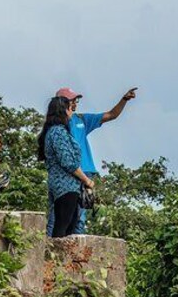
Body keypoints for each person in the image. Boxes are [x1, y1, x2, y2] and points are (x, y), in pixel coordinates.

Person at [46, 86, 137, 235]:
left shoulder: (81, 120)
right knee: (59, 217)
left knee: (79, 218)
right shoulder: (57, 126)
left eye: (76, 100)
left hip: (85, 172)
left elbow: (111, 115)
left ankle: (76, 253)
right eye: (72, 100)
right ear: (62, 103)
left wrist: (124, 100)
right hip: (68, 174)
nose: (75, 103)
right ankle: (51, 251)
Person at [38, 96, 95, 237]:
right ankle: (55, 257)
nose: (72, 111)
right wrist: (86, 180)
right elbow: (68, 162)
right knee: (62, 225)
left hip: (67, 186)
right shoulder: (58, 132)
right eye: (70, 108)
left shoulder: (56, 131)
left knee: (70, 224)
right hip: (65, 185)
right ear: (64, 110)